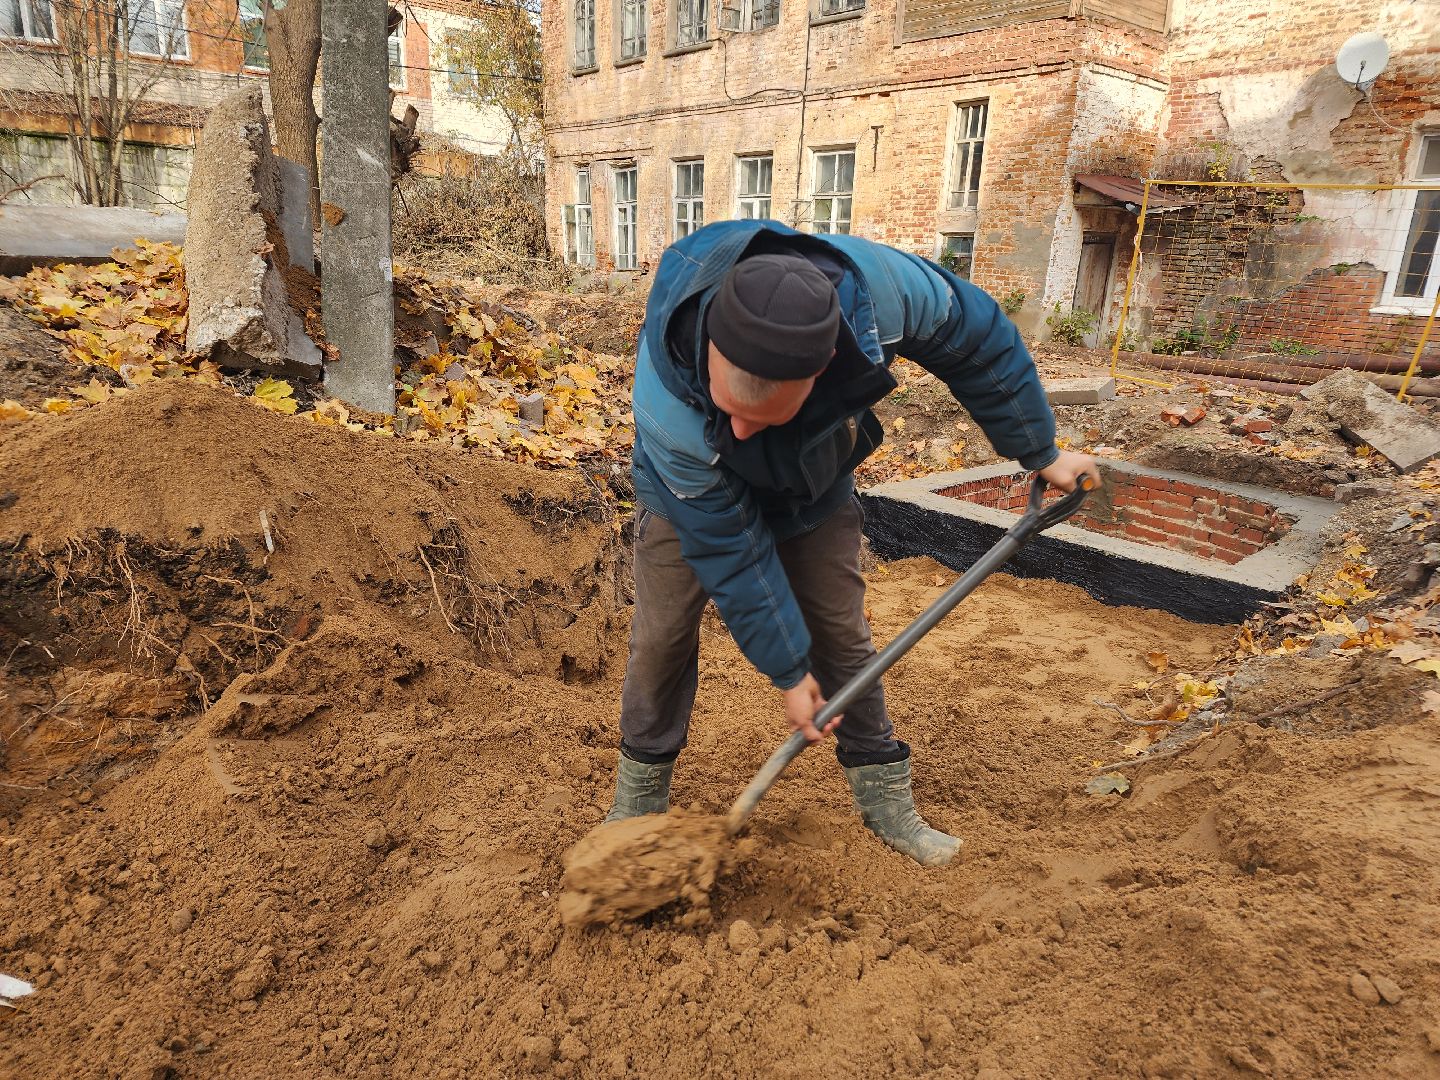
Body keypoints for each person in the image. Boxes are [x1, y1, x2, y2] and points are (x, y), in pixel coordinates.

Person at [604, 220, 1099, 866]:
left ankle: (884, 795)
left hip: (812, 478)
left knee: (840, 631)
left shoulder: (883, 294)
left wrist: (1039, 450)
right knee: (663, 634)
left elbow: (980, 340)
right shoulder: (669, 399)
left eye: (764, 414)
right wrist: (785, 667)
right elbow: (730, 549)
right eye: (731, 410)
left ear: (822, 371)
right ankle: (638, 798)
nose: (743, 431)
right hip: (688, 493)